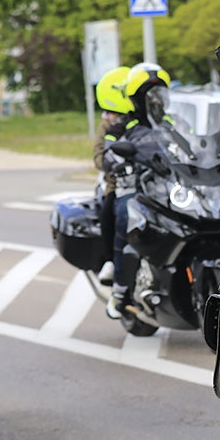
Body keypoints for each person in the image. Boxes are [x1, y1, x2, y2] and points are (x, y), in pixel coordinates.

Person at [102, 62, 171, 319]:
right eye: (149, 94)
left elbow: (195, 147)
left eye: (159, 93)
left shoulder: (173, 123)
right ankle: (120, 290)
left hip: (170, 187)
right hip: (135, 188)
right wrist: (117, 163)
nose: (155, 99)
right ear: (136, 98)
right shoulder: (123, 126)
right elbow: (109, 152)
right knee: (125, 216)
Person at [93, 66, 133, 285]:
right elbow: (98, 157)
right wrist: (114, 164)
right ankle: (112, 263)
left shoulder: (147, 120)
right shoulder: (107, 124)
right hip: (118, 184)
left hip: (152, 182)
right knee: (111, 213)